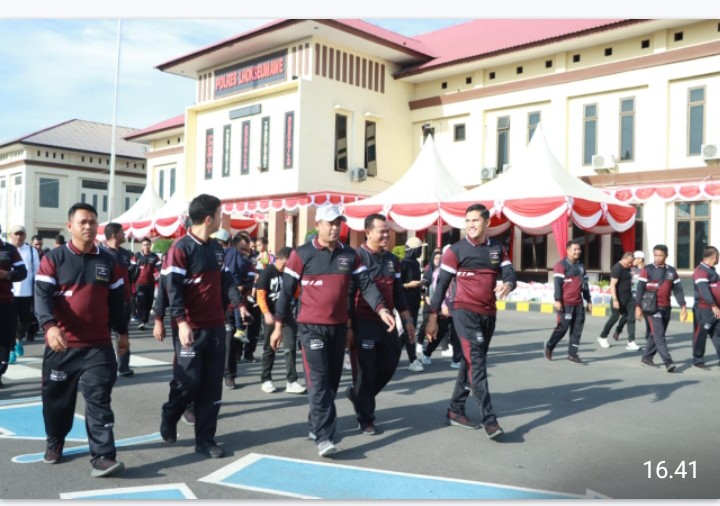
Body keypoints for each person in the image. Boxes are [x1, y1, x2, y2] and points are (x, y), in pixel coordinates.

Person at [269, 204, 395, 457]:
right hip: (311, 328)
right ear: (318, 225)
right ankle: (324, 437)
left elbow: (367, 284)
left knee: (332, 382)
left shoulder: (350, 255)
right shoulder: (301, 254)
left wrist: (381, 309)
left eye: (339, 222)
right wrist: (278, 326)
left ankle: (315, 425)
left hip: (338, 328)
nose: (335, 227)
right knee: (318, 382)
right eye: (330, 223)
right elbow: (285, 292)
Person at [34, 202, 127, 477]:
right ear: (70, 226)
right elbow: (41, 297)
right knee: (57, 403)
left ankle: (103, 456)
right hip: (61, 347)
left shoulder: (108, 262)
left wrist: (122, 333)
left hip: (98, 346)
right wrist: (49, 327)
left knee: (99, 400)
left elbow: (117, 301)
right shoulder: (54, 258)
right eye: (83, 222)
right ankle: (55, 440)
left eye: (93, 222)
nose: (89, 226)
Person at [159, 194, 244, 459]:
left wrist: (238, 303)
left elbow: (227, 280)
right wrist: (181, 322)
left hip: (216, 326)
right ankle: (171, 413)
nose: (222, 218)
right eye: (220, 214)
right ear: (209, 218)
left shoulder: (218, 249)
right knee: (189, 383)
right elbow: (172, 289)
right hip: (190, 328)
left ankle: (205, 439)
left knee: (211, 386)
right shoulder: (181, 249)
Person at [425, 203, 516, 440]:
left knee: (470, 362)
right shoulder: (454, 251)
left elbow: (509, 274)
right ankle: (489, 419)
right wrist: (433, 317)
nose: (471, 225)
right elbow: (441, 285)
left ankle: (455, 410)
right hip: (464, 312)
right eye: (467, 221)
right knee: (477, 364)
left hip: (489, 314)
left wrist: (508, 284)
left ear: (487, 222)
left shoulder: (498, 248)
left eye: (475, 220)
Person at [347, 214, 415, 435]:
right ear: (368, 233)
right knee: (365, 371)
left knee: (391, 361)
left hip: (387, 321)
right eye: (381, 231)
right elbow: (348, 295)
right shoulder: (357, 258)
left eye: (388, 231)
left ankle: (359, 395)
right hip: (362, 320)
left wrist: (407, 319)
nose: (386, 235)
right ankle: (366, 418)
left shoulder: (392, 260)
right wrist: (348, 326)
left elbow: (398, 292)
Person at [258, 247, 306, 394]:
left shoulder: (290, 273)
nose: (286, 267)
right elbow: (260, 295)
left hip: (287, 316)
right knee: (269, 347)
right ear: (278, 258)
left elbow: (297, 293)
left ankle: (292, 381)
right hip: (270, 315)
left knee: (290, 348)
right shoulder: (267, 273)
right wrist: (266, 313)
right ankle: (266, 379)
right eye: (284, 264)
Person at [634, 244, 687, 372]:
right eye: (655, 255)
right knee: (659, 335)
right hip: (652, 308)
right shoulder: (647, 269)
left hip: (666, 307)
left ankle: (647, 357)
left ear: (666, 256)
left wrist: (683, 306)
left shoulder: (672, 271)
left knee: (656, 334)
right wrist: (638, 307)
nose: (657, 258)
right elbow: (640, 289)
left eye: (660, 255)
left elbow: (678, 290)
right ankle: (668, 362)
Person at [544, 240, 592, 364]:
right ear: (568, 250)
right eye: (575, 249)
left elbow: (585, 285)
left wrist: (588, 300)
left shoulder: (581, 267)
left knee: (577, 330)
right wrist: (557, 300)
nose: (577, 251)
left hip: (579, 304)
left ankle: (572, 354)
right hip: (566, 304)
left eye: (579, 249)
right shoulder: (561, 265)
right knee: (562, 328)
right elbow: (557, 285)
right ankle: (549, 345)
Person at [100, 223, 135, 377]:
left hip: (125, 301)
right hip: (105, 302)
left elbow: (131, 275)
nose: (125, 234)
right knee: (103, 335)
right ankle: (103, 366)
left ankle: (124, 366)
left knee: (123, 333)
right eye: (122, 232)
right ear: (114, 235)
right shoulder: (100, 253)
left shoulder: (126, 254)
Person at [0, 224, 27, 388]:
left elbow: (23, 272)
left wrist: (7, 274)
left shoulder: (9, 250)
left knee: (5, 340)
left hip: (5, 302)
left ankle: (1, 371)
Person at [10, 226, 40, 363]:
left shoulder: (32, 251)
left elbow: (38, 272)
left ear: (25, 235)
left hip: (26, 292)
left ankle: (17, 340)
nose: (18, 237)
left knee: (25, 320)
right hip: (8, 293)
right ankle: (10, 349)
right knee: (9, 321)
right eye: (16, 234)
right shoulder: (6, 250)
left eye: (21, 234)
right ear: (11, 235)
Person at [597, 252, 637, 350]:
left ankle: (631, 341)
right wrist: (615, 300)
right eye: (629, 262)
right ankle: (602, 337)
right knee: (614, 318)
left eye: (631, 262)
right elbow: (612, 285)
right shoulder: (617, 268)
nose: (630, 264)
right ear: (624, 258)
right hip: (618, 298)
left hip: (629, 297)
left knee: (631, 318)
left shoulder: (627, 268)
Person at [691, 246, 720, 369]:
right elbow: (704, 290)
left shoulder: (712, 270)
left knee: (717, 334)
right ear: (714, 257)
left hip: (715, 308)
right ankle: (698, 360)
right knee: (701, 334)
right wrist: (713, 305)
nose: (719, 258)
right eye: (718, 256)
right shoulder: (700, 271)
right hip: (704, 309)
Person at [400, 236, 425, 372]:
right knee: (409, 332)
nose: (421, 251)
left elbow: (415, 282)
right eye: (420, 248)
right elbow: (396, 285)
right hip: (405, 303)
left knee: (405, 333)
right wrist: (409, 285)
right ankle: (412, 360)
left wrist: (421, 286)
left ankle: (390, 357)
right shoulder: (403, 263)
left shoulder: (416, 263)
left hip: (415, 302)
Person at [613, 250, 648, 344]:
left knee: (648, 316)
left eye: (635, 259)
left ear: (640, 259)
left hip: (643, 297)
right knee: (627, 316)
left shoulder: (647, 270)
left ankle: (649, 335)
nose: (632, 261)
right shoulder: (631, 270)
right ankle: (618, 330)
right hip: (631, 296)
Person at [132, 237, 161, 331]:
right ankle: (141, 322)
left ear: (150, 245)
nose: (146, 246)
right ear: (141, 246)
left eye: (147, 244)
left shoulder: (154, 257)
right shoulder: (136, 256)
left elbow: (160, 268)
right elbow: (131, 269)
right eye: (144, 245)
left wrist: (160, 275)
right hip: (139, 284)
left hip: (150, 284)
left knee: (148, 304)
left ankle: (146, 321)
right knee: (141, 302)